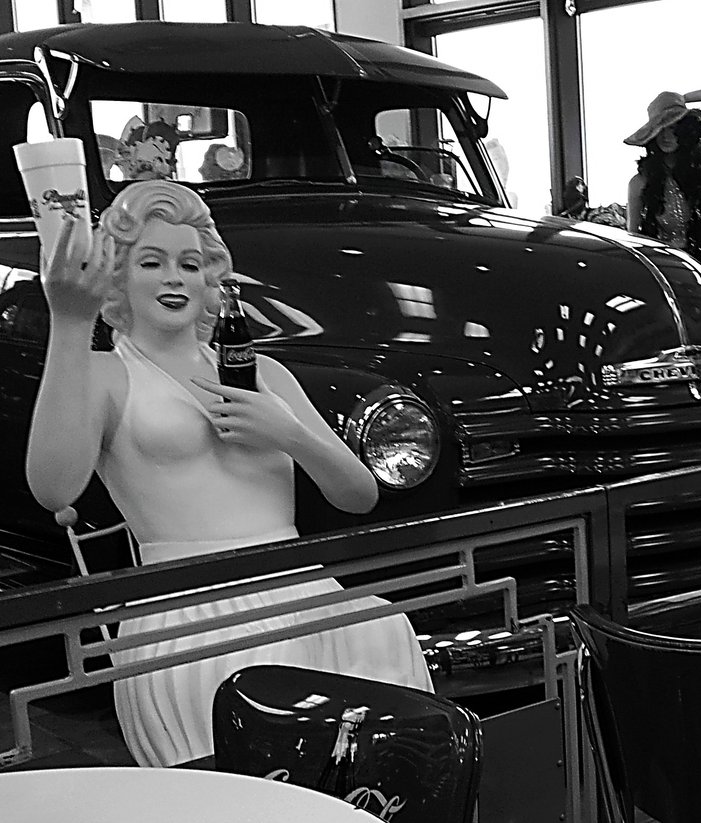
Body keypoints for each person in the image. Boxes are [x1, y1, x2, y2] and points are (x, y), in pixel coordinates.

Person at [25, 180, 433, 767]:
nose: (174, 279)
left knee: (377, 693)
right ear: (118, 277)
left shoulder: (263, 373)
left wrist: (289, 434)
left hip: (302, 590)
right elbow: (53, 487)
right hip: (190, 608)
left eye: (190, 264)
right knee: (239, 755)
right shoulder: (107, 376)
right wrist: (69, 322)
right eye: (151, 262)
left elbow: (358, 494)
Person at [625, 85, 701, 275]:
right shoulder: (639, 182)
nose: (666, 136)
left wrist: (682, 99)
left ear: (685, 131)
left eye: (673, 128)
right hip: (664, 270)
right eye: (660, 129)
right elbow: (633, 238)